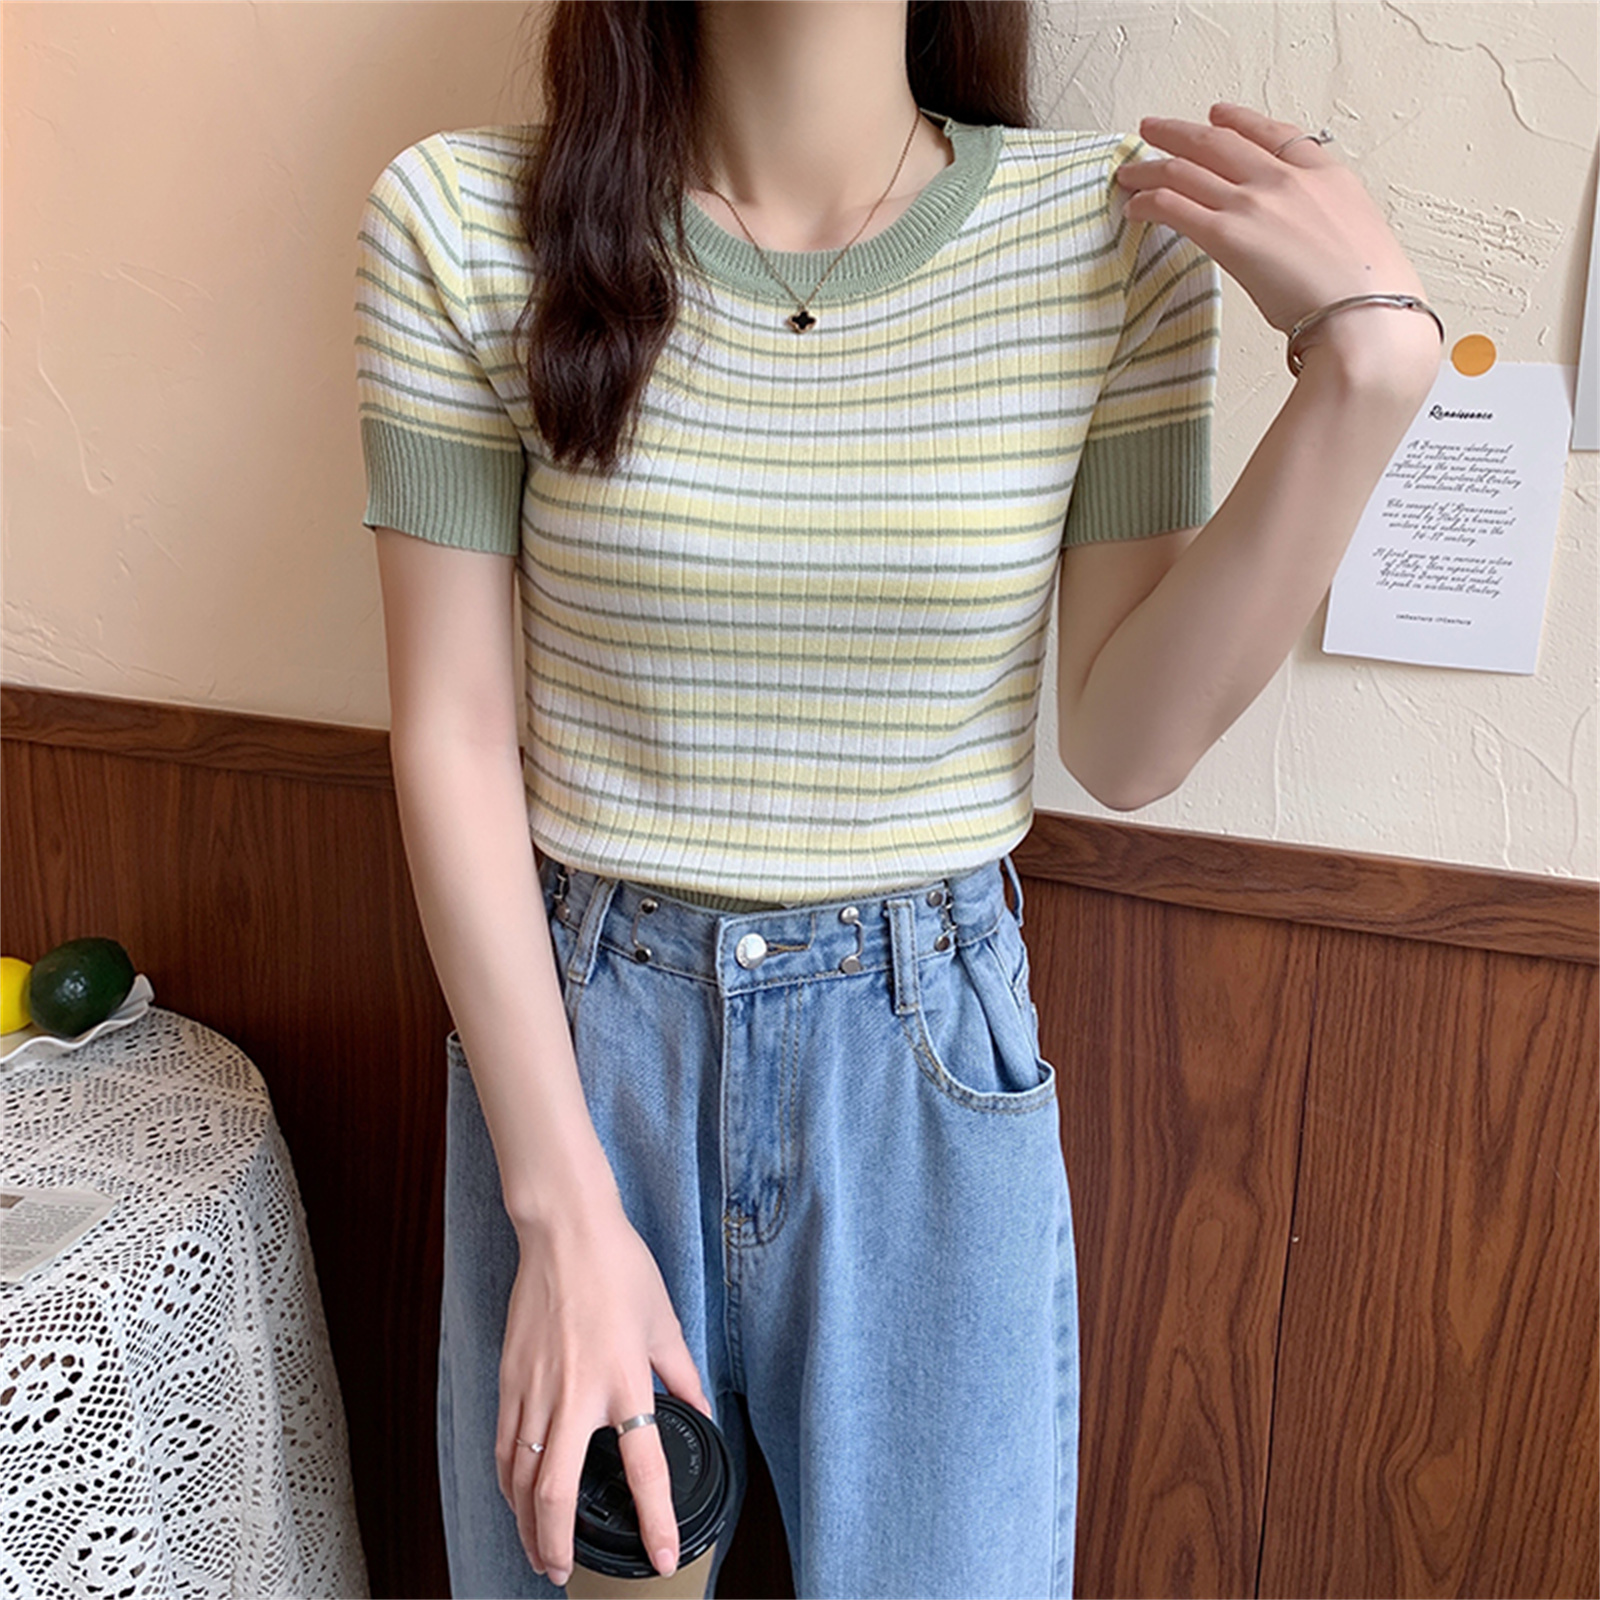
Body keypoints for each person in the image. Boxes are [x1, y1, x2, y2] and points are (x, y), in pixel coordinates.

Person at [353, 3, 1441, 1595]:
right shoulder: (460, 221)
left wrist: (1368, 375)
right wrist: (563, 1212)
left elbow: (1127, 743)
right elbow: (451, 733)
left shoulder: (1107, 239)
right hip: (579, 1058)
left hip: (923, 1055)